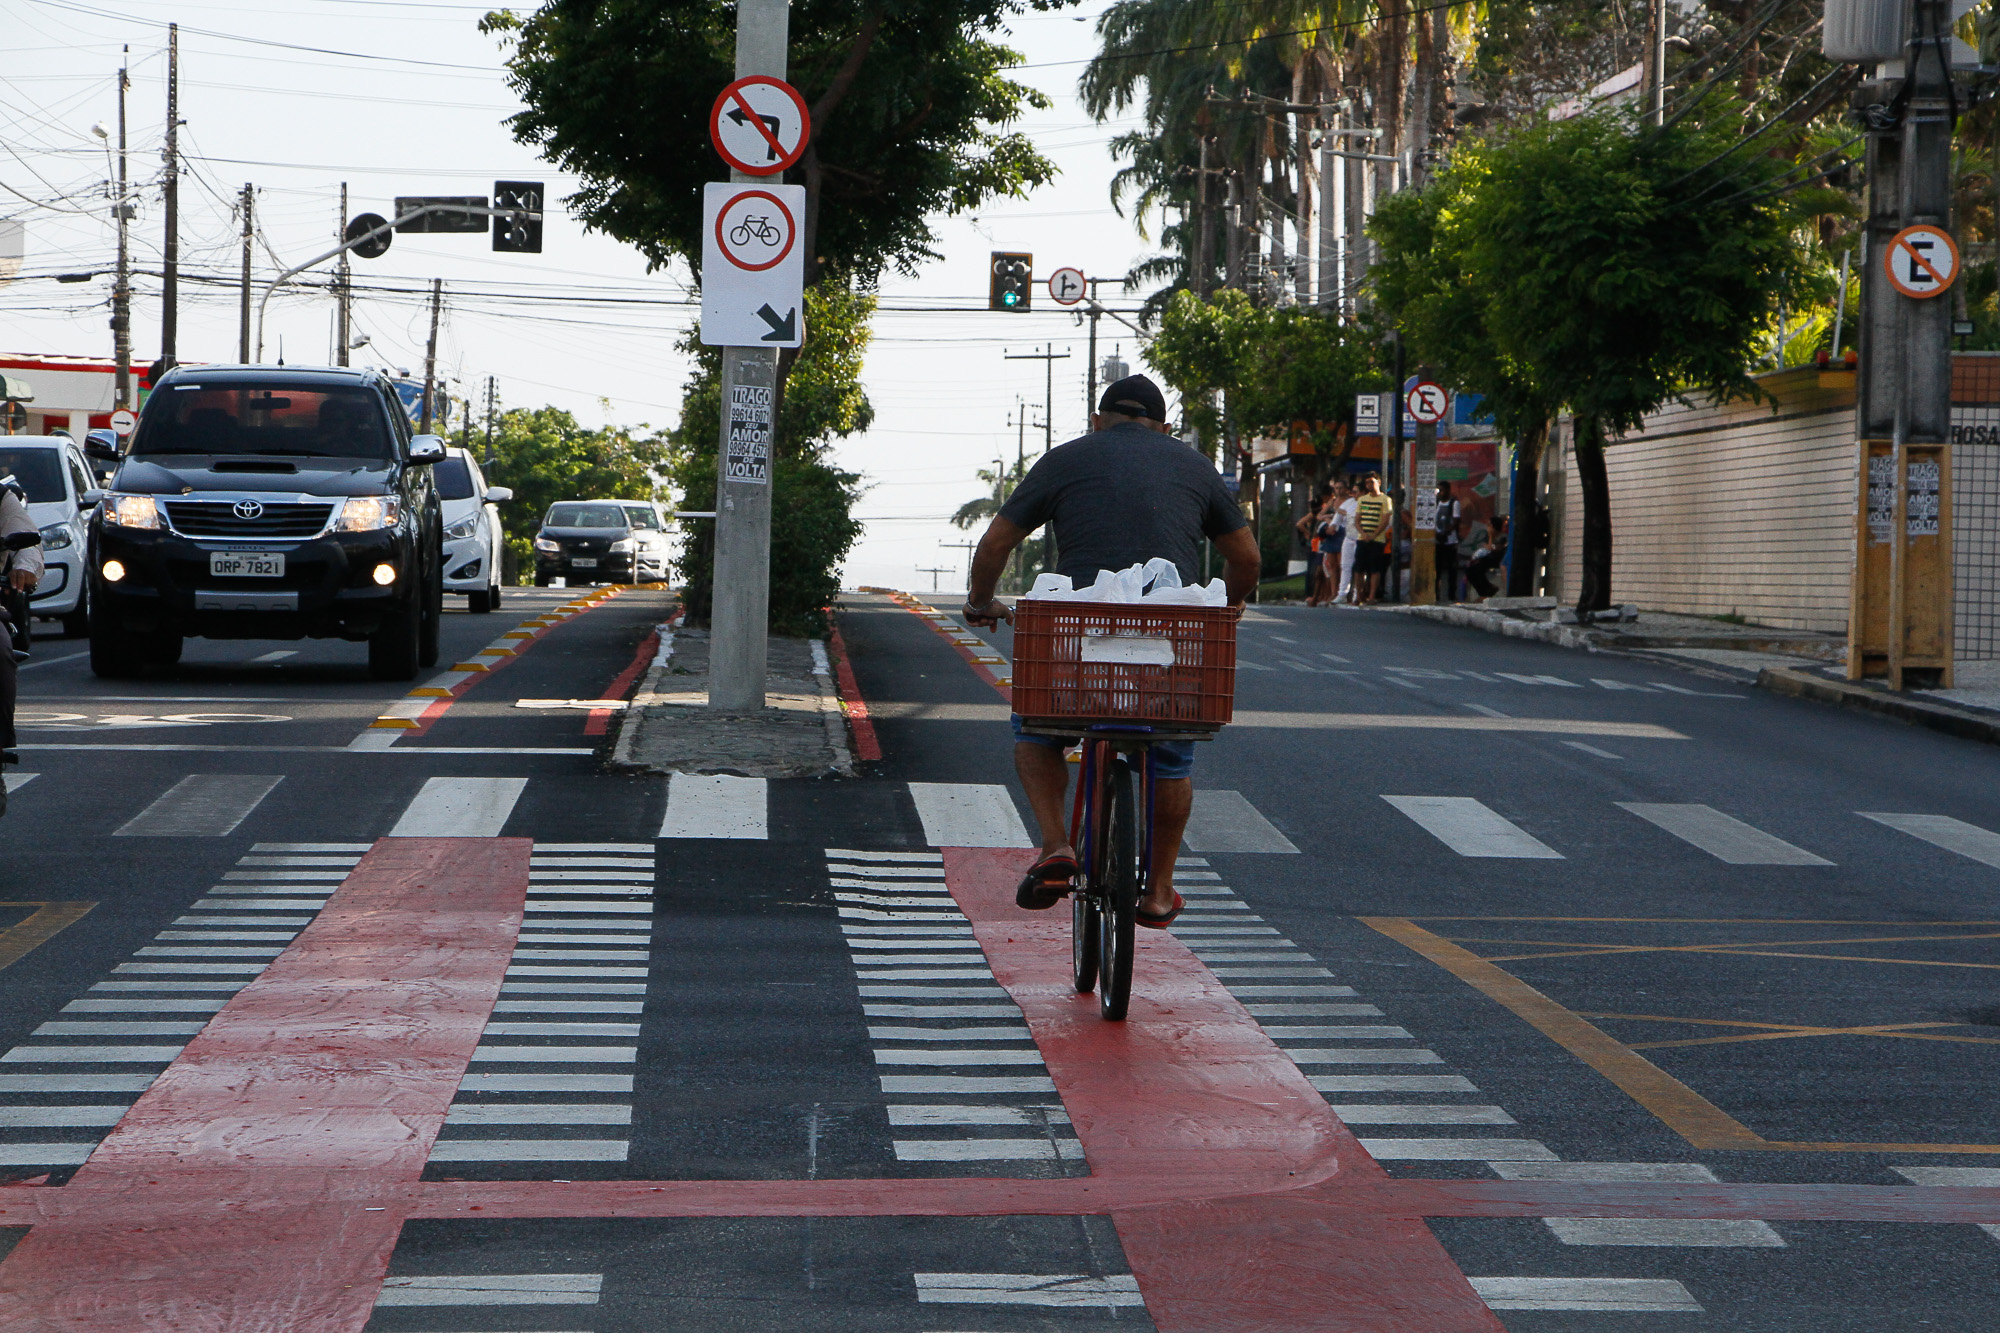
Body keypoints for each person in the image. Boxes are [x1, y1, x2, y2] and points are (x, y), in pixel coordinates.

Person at [962, 374, 1261, 929]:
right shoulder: (1195, 466)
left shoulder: (1066, 458)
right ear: (1164, 427)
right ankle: (1160, 889)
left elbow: (996, 544)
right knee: (1170, 751)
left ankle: (1056, 845)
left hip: (1081, 635)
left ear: (1098, 420)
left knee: (1038, 730)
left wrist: (981, 601)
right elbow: (1245, 559)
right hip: (1173, 638)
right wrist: (1233, 604)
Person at [0, 479, 42, 769]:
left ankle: (2, 742)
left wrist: (24, 567)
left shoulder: (1, 498)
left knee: (1, 652)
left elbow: (28, 537)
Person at [1351, 472, 1394, 604]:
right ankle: (1359, 595)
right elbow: (1357, 520)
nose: (1369, 485)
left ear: (1379, 482)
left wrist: (1374, 534)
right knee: (1358, 568)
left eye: (1372, 482)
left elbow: (1385, 520)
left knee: (1375, 568)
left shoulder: (1385, 500)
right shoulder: (1362, 499)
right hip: (1362, 538)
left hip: (1377, 539)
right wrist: (1363, 534)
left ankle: (1371, 595)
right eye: (1367, 483)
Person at [1467, 514, 1508, 599]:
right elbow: (1487, 547)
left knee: (1477, 567)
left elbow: (1492, 548)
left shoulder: (1502, 537)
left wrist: (1490, 536)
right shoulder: (1488, 537)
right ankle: (1484, 591)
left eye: (1489, 525)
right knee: (1471, 569)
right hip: (1489, 557)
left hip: (1497, 558)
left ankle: (1487, 591)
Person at [1434, 480, 1462, 602]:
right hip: (1438, 541)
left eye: (1442, 490)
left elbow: (1456, 521)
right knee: (1437, 569)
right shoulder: (1437, 503)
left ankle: (1451, 594)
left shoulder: (1454, 503)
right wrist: (1437, 534)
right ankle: (1436, 593)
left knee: (1452, 569)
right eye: (1439, 490)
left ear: (1448, 491)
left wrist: (1445, 532)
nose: (1440, 493)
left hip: (1450, 541)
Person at [1334, 482, 1360, 604]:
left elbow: (1359, 517)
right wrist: (1333, 524)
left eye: (1355, 492)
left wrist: (1347, 514)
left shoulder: (1365, 502)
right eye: (1352, 492)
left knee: (1359, 568)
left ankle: (1357, 594)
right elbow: (1338, 517)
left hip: (1361, 538)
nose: (1353, 495)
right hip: (1349, 537)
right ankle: (1342, 593)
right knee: (1345, 566)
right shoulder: (1348, 503)